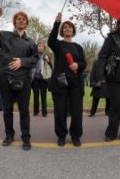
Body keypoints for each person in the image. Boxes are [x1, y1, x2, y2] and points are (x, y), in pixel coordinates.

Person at [0, 8, 38, 151]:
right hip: (6, 78)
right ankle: (9, 135)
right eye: (18, 18)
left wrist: (22, 61)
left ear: (27, 23)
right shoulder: (4, 36)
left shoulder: (31, 42)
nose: (21, 20)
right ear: (14, 22)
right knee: (7, 109)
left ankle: (26, 138)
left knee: (24, 111)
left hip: (24, 79)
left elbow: (35, 59)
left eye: (23, 19)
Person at [48, 13, 86, 147]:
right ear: (62, 31)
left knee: (76, 112)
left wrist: (78, 65)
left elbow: (84, 64)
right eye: (65, 27)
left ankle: (75, 136)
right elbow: (50, 41)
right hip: (60, 83)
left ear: (73, 31)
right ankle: (61, 135)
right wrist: (57, 23)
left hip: (75, 84)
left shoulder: (78, 47)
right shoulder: (58, 45)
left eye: (70, 27)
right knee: (60, 111)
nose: (67, 29)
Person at [31, 42, 51, 117]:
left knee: (43, 96)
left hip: (43, 79)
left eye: (43, 46)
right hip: (35, 79)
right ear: (37, 47)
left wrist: (48, 61)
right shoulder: (34, 56)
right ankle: (36, 112)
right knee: (35, 96)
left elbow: (51, 67)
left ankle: (44, 112)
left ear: (44, 48)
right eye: (39, 46)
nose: (41, 47)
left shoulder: (46, 56)